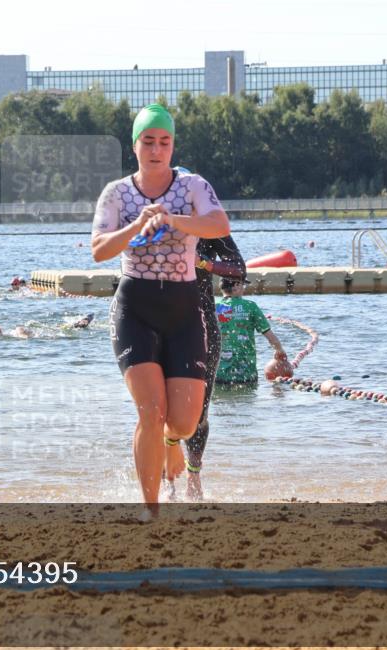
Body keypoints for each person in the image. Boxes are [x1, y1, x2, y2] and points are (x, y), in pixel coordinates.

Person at [91, 104, 230, 518]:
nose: (156, 150)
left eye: (164, 142)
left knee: (184, 423)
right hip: (136, 307)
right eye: (148, 141)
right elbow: (99, 250)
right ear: (135, 146)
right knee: (151, 412)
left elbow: (219, 224)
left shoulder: (192, 186)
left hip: (183, 308)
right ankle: (150, 510)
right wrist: (137, 225)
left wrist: (174, 219)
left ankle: (172, 443)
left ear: (172, 147)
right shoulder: (116, 193)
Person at [181, 236, 247, 501]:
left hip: (203, 324)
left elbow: (239, 269)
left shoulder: (208, 223)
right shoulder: (155, 218)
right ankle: (165, 478)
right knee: (158, 408)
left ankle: (193, 475)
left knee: (198, 413)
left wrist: (203, 263)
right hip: (160, 323)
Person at [214, 277, 287, 388]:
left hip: (217, 375)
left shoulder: (213, 306)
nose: (244, 289)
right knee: (248, 397)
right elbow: (270, 337)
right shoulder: (250, 306)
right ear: (236, 286)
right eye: (242, 285)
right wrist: (280, 350)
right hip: (246, 374)